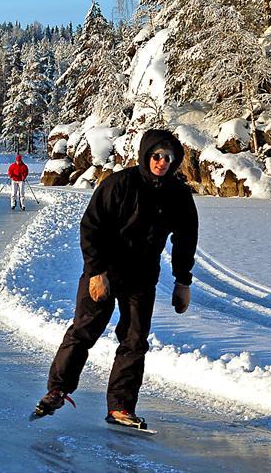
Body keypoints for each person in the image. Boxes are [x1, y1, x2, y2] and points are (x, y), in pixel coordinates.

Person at [34, 128, 198, 427]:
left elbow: (186, 238)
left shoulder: (178, 194)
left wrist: (182, 281)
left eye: (168, 158)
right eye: (157, 156)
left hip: (142, 276)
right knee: (84, 331)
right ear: (146, 155)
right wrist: (96, 272)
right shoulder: (120, 183)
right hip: (105, 270)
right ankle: (57, 390)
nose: (162, 162)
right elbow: (92, 228)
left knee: (134, 341)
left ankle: (120, 407)